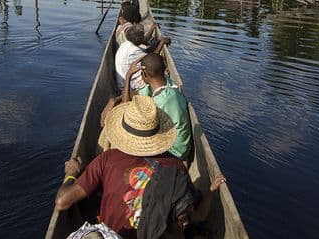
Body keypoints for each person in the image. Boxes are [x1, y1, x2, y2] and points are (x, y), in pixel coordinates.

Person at [55, 96, 226, 239]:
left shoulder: (107, 158)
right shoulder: (177, 167)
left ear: (123, 132)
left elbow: (62, 202)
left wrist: (72, 173)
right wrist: (210, 193)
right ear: (158, 133)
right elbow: (193, 216)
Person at [124, 53, 191, 161]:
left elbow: (125, 109)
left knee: (129, 134)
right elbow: (136, 94)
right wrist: (114, 99)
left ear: (144, 74)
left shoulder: (160, 101)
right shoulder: (168, 84)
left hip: (174, 151)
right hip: (178, 146)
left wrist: (128, 77)